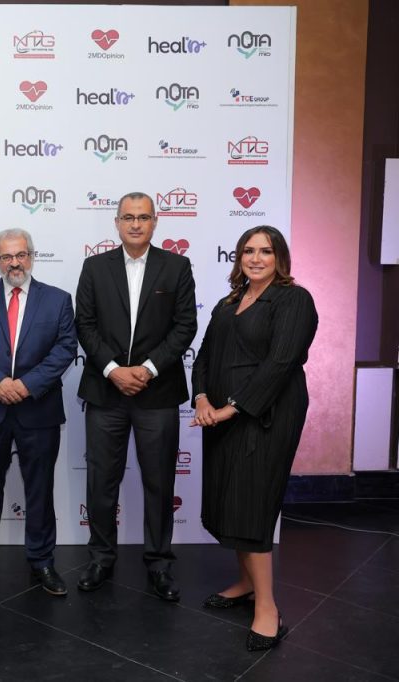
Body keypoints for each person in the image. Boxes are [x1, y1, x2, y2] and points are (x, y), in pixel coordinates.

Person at [191, 226, 317, 651]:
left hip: (268, 415)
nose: (256, 258)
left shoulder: (294, 299)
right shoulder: (229, 303)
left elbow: (281, 363)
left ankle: (267, 608)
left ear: (279, 257)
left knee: (252, 504)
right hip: (222, 416)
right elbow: (204, 357)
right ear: (239, 257)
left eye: (266, 251)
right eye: (249, 250)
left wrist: (232, 408)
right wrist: (202, 399)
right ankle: (246, 582)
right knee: (230, 500)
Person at [75, 191, 197, 601]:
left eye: (143, 217)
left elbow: (185, 325)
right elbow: (84, 324)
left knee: (159, 482)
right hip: (105, 391)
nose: (135, 224)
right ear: (117, 223)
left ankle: (159, 563)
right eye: (128, 217)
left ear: (155, 222)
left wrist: (147, 369)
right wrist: (113, 370)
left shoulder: (176, 267)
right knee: (101, 482)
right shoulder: (95, 267)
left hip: (156, 392)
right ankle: (100, 558)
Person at [0, 228, 76, 595]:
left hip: (38, 410)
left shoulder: (57, 299)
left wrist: (26, 384)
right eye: (6, 257)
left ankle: (42, 560)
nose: (14, 263)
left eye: (21, 255)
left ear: (32, 256)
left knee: (40, 490)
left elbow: (65, 348)